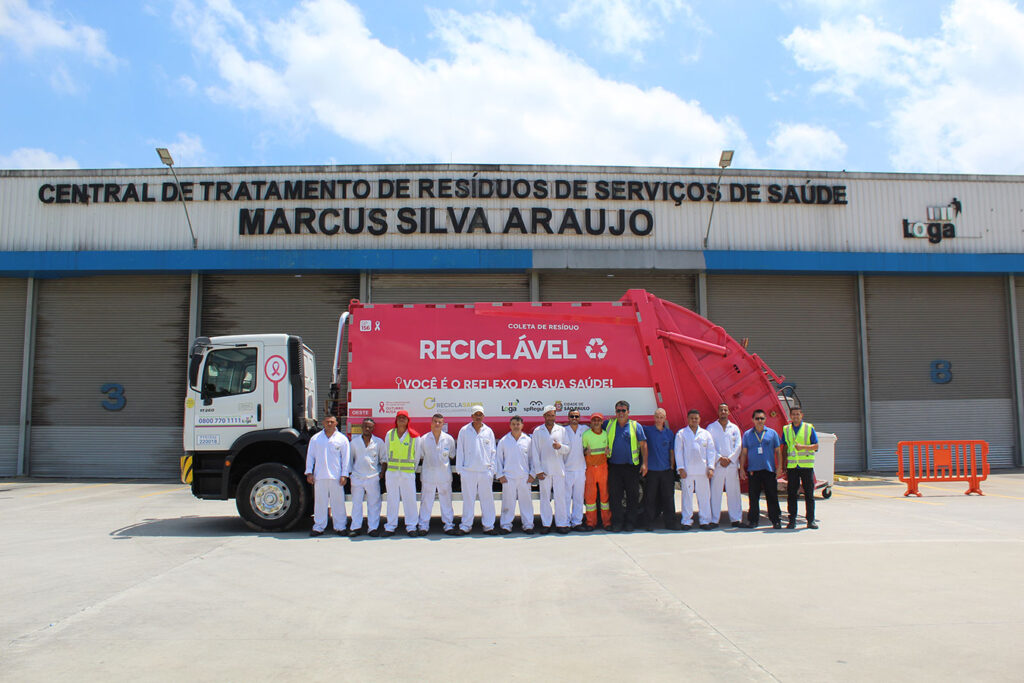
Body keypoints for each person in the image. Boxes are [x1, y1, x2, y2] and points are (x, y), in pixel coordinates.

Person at [605, 400, 648, 532]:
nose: (621, 413)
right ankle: (617, 523)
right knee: (615, 497)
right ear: (615, 412)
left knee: (632, 497)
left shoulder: (636, 426)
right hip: (614, 467)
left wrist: (645, 463)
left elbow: (643, 445)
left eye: (623, 410)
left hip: (631, 468)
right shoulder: (609, 424)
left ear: (628, 412)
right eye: (618, 410)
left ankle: (630, 523)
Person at [304, 415, 350, 537]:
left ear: (336, 423)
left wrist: (344, 475)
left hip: (336, 477)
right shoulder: (316, 439)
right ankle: (319, 527)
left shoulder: (342, 439)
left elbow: (346, 459)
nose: (329, 424)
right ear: (323, 423)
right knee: (320, 503)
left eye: (332, 422)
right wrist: (309, 472)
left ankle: (340, 527)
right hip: (320, 476)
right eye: (327, 422)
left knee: (338, 503)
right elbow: (310, 456)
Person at [456, 405, 498, 535]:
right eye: (476, 415)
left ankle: (489, 526)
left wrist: (492, 470)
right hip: (468, 471)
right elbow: (460, 450)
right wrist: (460, 470)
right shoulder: (464, 430)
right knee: (468, 499)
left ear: (483, 416)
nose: (478, 417)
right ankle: (466, 526)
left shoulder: (488, 431)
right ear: (472, 416)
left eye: (480, 414)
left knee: (487, 500)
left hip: (485, 471)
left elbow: (493, 452)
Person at [739, 408, 783, 529]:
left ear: (765, 419)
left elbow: (778, 451)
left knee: (772, 496)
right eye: (757, 418)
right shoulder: (748, 435)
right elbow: (744, 453)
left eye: (762, 418)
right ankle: (753, 521)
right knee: (753, 497)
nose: (759, 420)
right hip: (754, 471)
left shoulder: (772, 433)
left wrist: (779, 467)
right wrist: (742, 468)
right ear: (753, 420)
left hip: (769, 470)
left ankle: (776, 520)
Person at [530, 405, 571, 534]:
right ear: (544, 416)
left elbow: (568, 449)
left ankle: (562, 524)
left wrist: (560, 447)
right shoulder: (538, 431)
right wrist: (538, 471)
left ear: (555, 416)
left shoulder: (561, 430)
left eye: (552, 415)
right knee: (545, 498)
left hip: (559, 469)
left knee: (560, 498)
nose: (550, 417)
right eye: (548, 415)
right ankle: (546, 524)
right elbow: (534, 452)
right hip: (544, 471)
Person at [416, 413, 458, 536]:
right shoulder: (423, 439)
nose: (437, 424)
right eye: (435, 421)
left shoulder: (449, 439)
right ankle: (423, 526)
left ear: (443, 424)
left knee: (446, 501)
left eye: (440, 422)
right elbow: (422, 456)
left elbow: (451, 455)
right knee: (426, 501)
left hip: (444, 475)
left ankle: (449, 525)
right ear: (431, 423)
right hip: (428, 475)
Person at [674, 409, 715, 530]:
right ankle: (686, 521)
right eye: (692, 418)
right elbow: (678, 451)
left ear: (699, 419)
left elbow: (711, 451)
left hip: (703, 471)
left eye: (696, 418)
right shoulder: (681, 433)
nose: (694, 420)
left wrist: (711, 467)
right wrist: (680, 468)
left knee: (704, 496)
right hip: (687, 471)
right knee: (687, 497)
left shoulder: (706, 434)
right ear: (688, 419)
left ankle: (705, 521)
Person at [496, 415, 536, 534]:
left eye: (518, 424)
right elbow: (498, 459)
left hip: (524, 477)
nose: (516, 426)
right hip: (508, 477)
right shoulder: (504, 441)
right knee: (508, 503)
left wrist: (532, 474)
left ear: (522, 426)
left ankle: (528, 525)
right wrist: (500, 475)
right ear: (510, 426)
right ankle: (506, 525)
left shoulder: (528, 441)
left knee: (526, 503)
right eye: (513, 424)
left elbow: (533, 459)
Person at [383, 410, 419, 537]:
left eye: (404, 418)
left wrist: (411, 469)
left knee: (410, 500)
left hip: (407, 472)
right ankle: (390, 526)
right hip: (392, 472)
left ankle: (411, 526)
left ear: (408, 420)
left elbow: (417, 456)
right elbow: (387, 453)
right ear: (396, 420)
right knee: (392, 499)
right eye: (399, 418)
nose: (402, 420)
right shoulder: (390, 434)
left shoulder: (414, 435)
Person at [348, 416, 385, 537]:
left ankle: (372, 528)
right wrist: (349, 474)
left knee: (374, 504)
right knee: (356, 503)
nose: (367, 428)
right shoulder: (354, 442)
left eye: (370, 427)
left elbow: (384, 459)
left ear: (373, 428)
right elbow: (349, 460)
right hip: (357, 477)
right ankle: (356, 527)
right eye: (365, 426)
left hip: (373, 477)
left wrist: (381, 474)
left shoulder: (378, 442)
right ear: (361, 427)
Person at [782, 407, 819, 529]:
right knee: (792, 494)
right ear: (790, 416)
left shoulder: (809, 428)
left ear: (801, 415)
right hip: (792, 466)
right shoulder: (786, 429)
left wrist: (803, 447)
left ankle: (811, 520)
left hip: (806, 466)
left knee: (809, 494)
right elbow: (785, 447)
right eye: (793, 414)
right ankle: (792, 520)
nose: (795, 416)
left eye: (797, 414)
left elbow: (816, 446)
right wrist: (783, 465)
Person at [707, 403, 743, 528]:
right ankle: (714, 519)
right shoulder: (711, 427)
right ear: (718, 412)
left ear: (728, 412)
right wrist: (719, 458)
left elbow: (738, 446)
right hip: (718, 465)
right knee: (715, 492)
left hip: (731, 465)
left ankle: (736, 518)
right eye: (721, 410)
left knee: (733, 492)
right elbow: (709, 446)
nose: (723, 412)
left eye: (725, 410)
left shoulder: (734, 428)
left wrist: (730, 459)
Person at [644, 408, 678, 531]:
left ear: (665, 419)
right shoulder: (647, 431)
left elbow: (671, 451)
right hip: (652, 471)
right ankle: (647, 523)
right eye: (657, 417)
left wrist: (672, 466)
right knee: (650, 498)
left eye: (661, 417)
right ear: (654, 417)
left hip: (666, 470)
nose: (659, 419)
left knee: (668, 497)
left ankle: (671, 523)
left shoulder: (669, 433)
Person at [581, 414, 611, 529]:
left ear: (602, 422)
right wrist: (585, 452)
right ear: (591, 422)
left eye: (599, 420)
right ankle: (590, 523)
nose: (596, 422)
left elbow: (608, 450)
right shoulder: (586, 435)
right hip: (590, 468)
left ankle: (607, 522)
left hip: (603, 467)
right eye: (594, 420)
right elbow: (582, 450)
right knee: (590, 498)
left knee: (605, 498)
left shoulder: (605, 434)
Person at [563, 409, 589, 531]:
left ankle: (577, 522)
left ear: (579, 418)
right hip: (567, 469)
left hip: (580, 469)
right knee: (566, 498)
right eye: (572, 416)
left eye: (576, 416)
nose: (574, 418)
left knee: (578, 498)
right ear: (568, 418)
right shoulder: (563, 431)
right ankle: (566, 522)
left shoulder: (584, 429)